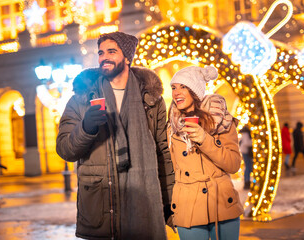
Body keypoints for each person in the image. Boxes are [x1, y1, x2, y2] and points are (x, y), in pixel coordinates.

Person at [56, 31, 175, 239]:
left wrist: (169, 202)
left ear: (127, 57)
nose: (104, 57)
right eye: (101, 52)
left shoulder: (151, 100)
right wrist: (86, 128)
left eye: (112, 51)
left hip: (145, 207)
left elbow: (163, 152)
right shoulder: (82, 99)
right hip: (102, 206)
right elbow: (65, 149)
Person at [167, 65, 244, 240]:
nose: (176, 92)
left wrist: (204, 139)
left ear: (195, 90)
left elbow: (233, 165)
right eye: (173, 87)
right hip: (188, 208)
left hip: (222, 206)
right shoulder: (171, 127)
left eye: (183, 86)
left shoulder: (223, 120)